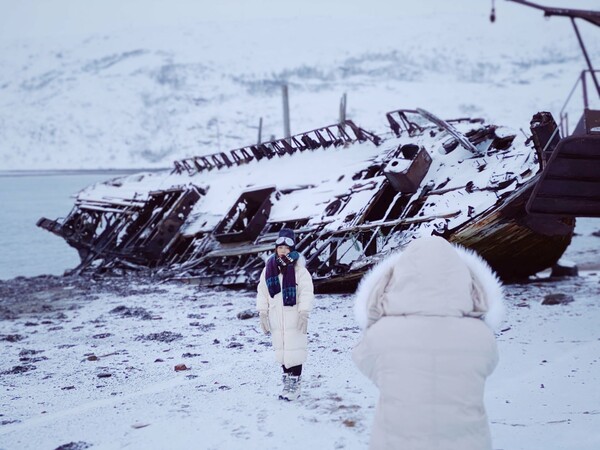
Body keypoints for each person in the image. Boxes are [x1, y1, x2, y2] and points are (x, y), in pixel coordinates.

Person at [352, 236, 505, 450]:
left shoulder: (381, 334)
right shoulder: (481, 336)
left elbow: (363, 360)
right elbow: (489, 364)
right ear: (464, 280)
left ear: (398, 278)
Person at [257, 228, 314, 401]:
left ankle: (294, 386)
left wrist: (304, 312)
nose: (282, 250)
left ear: (292, 249)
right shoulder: (269, 269)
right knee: (282, 351)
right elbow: (262, 292)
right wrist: (262, 312)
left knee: (295, 351)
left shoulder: (299, 271)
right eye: (280, 247)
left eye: (286, 248)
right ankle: (287, 383)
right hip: (277, 318)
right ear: (276, 249)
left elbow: (306, 292)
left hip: (294, 316)